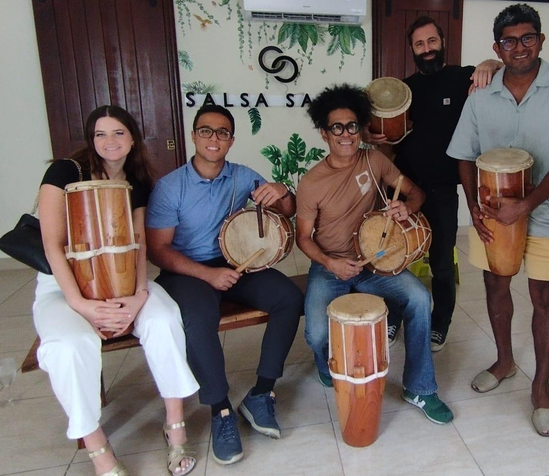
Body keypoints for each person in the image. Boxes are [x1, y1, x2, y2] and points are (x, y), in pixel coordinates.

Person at [446, 4, 549, 437]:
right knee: (495, 284)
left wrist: (525, 206)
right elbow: (464, 155)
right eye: (509, 41)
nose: (519, 47)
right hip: (492, 215)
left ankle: (541, 387)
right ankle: (505, 360)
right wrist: (471, 204)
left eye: (528, 38)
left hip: (544, 214)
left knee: (544, 299)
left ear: (541, 40)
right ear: (497, 48)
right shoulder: (481, 95)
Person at [35, 105, 199, 476]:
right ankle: (99, 452)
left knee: (164, 317)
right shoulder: (64, 172)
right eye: (100, 134)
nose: (110, 142)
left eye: (118, 133)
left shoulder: (137, 180)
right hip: (64, 287)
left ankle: (175, 428)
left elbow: (139, 243)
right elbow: (51, 245)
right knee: (67, 346)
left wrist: (140, 295)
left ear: (133, 138)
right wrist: (82, 306)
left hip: (125, 280)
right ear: (91, 140)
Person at [145, 104, 303, 467]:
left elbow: (287, 210)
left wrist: (281, 190)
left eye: (221, 132)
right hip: (187, 271)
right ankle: (220, 410)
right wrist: (207, 275)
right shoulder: (171, 188)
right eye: (205, 131)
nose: (213, 138)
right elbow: (158, 251)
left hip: (236, 262)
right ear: (193, 136)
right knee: (198, 319)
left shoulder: (243, 176)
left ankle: (261, 393)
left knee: (288, 298)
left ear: (231, 140)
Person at [297, 83, 454, 425]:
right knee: (317, 335)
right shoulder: (311, 182)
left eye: (352, 126)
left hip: (374, 261)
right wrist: (329, 263)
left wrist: (405, 208)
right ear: (324, 133)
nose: (346, 135)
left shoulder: (374, 160)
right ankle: (324, 360)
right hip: (329, 265)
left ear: (360, 128)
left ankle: (419, 387)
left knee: (417, 298)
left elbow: (416, 194)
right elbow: (303, 238)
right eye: (336, 127)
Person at [363, 16, 496, 351]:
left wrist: (487, 63)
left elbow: (500, 67)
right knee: (393, 259)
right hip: (403, 189)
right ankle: (393, 317)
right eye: (419, 44)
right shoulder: (402, 91)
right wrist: (372, 135)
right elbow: (386, 145)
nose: (426, 49)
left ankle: (441, 321)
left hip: (441, 192)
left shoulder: (460, 77)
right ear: (412, 49)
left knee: (441, 263)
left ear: (442, 43)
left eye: (431, 42)